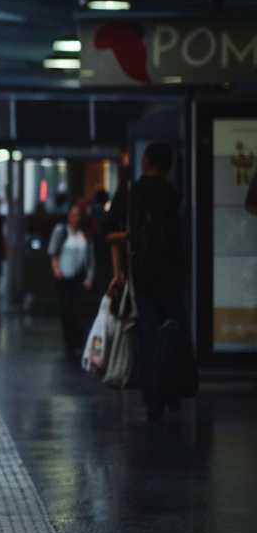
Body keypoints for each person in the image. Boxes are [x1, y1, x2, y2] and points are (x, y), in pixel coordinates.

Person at [107, 143, 185, 422]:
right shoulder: (175, 194)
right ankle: (172, 389)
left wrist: (120, 268)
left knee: (147, 335)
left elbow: (109, 232)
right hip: (173, 275)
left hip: (142, 274)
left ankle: (154, 398)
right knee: (173, 331)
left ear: (145, 162)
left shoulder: (131, 192)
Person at [49, 201, 94, 353]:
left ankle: (77, 339)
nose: (75, 218)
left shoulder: (84, 236)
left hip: (77, 277)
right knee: (66, 308)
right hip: (62, 276)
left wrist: (89, 276)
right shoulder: (61, 231)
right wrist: (56, 269)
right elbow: (53, 252)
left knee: (75, 308)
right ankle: (70, 340)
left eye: (78, 215)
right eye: (73, 215)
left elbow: (90, 259)